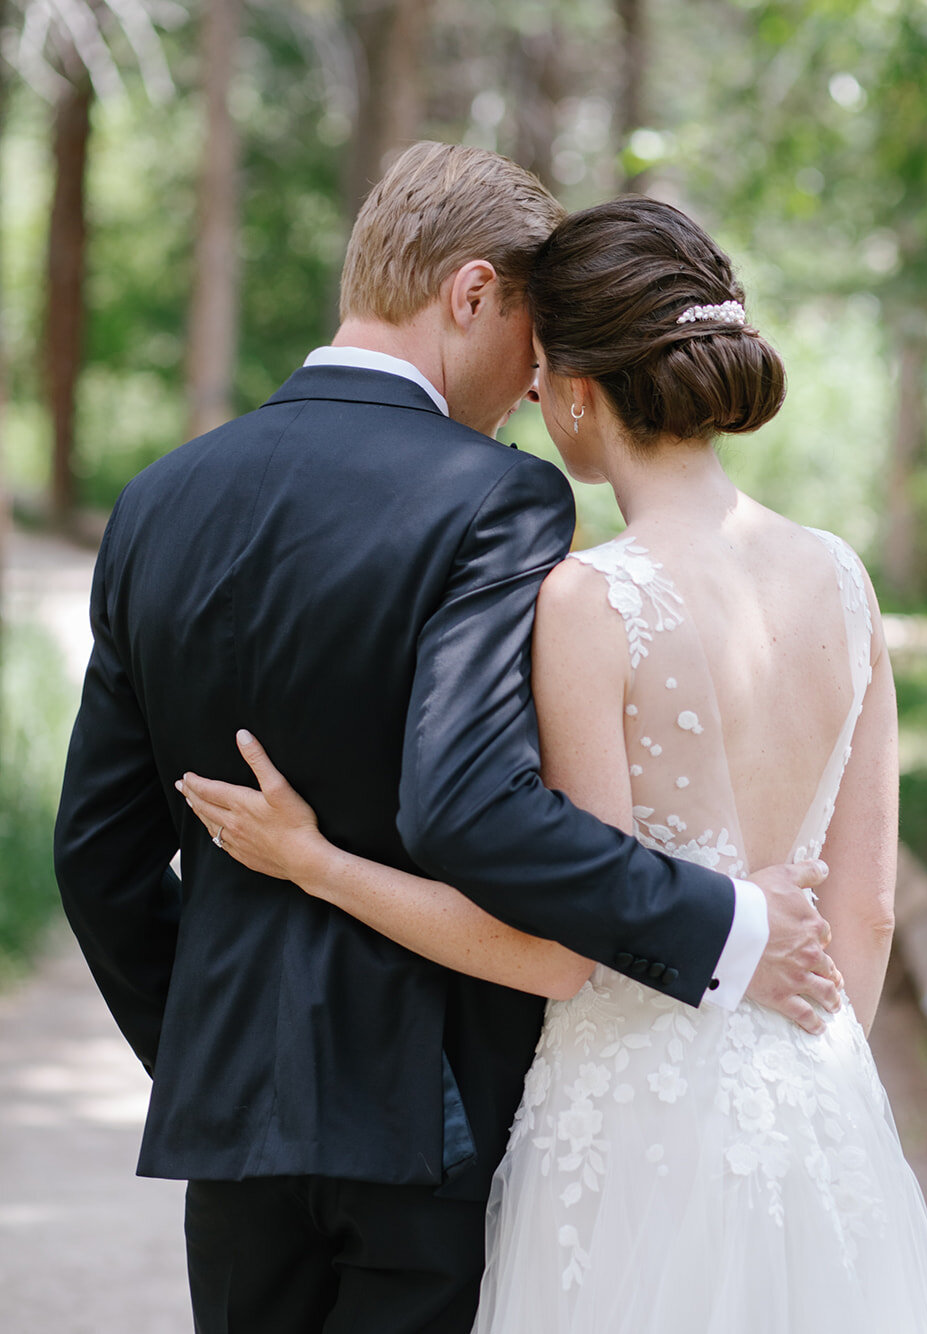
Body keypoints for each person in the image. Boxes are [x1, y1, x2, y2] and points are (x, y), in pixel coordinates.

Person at [54, 145, 837, 1334]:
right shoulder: (492, 496)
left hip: (236, 1131)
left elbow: (96, 854)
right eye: (530, 336)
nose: (535, 383)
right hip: (429, 1116)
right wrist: (725, 922)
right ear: (469, 293)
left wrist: (217, 1058)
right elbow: (468, 805)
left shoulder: (161, 497)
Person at [179, 197, 927, 1331]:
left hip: (632, 1130)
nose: (532, 396)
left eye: (542, 371)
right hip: (817, 1099)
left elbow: (560, 952)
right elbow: (869, 910)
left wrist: (317, 863)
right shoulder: (842, 578)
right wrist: (804, 1088)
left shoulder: (593, 598)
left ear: (582, 395)